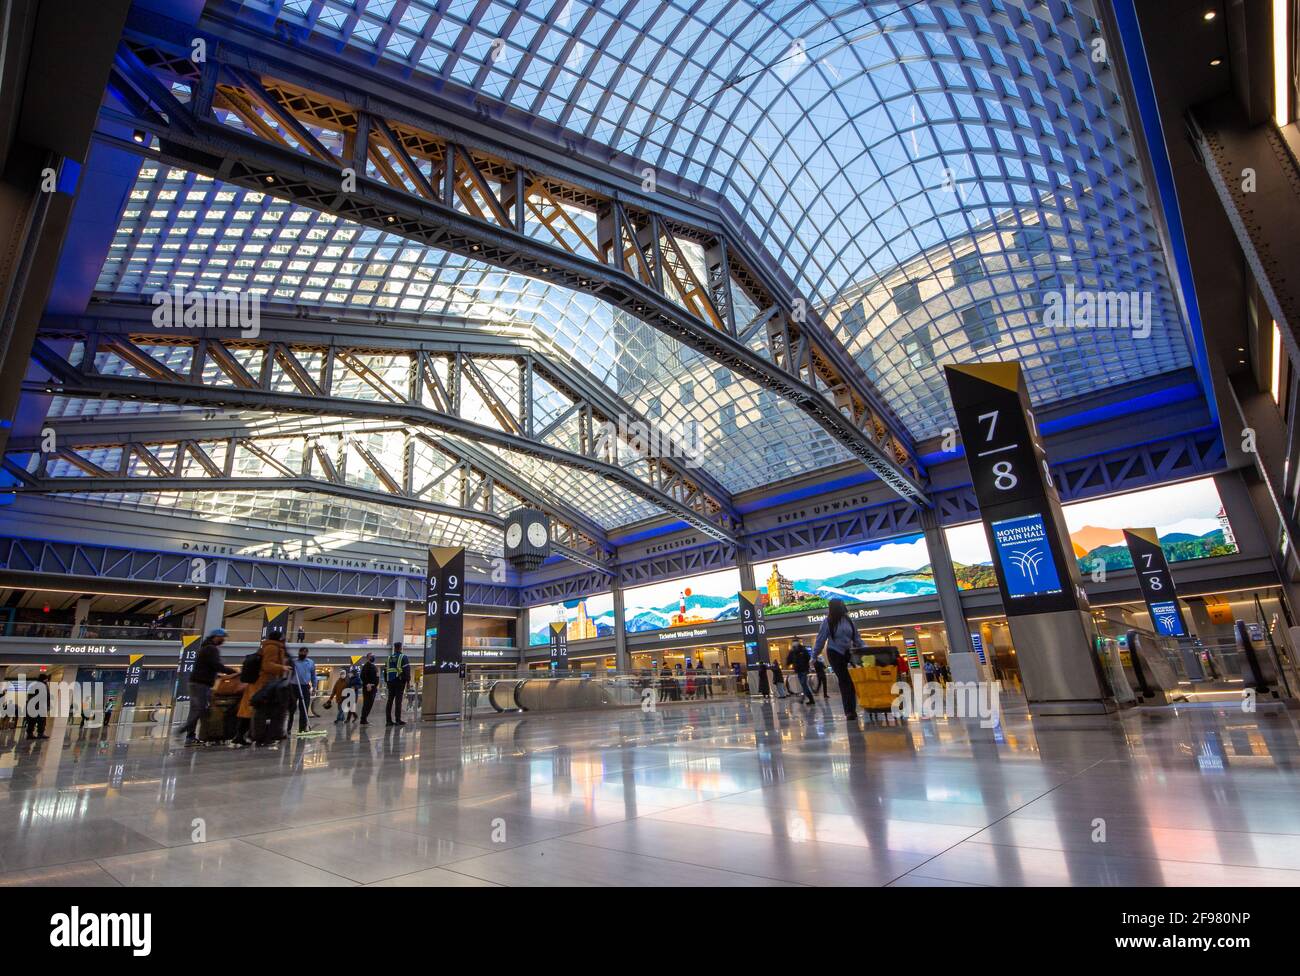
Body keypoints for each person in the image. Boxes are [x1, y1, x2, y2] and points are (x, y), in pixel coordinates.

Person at [178, 628, 235, 745]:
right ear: (216, 637)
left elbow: (209, 666)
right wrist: (232, 671)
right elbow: (216, 665)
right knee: (199, 709)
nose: (223, 640)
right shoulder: (211, 649)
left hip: (197, 682)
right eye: (222, 637)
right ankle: (184, 732)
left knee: (197, 709)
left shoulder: (206, 648)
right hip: (201, 684)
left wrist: (218, 675)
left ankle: (192, 736)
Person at [813, 598, 866, 720]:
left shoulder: (848, 621)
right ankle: (849, 711)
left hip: (848, 653)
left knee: (850, 681)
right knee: (845, 680)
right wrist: (814, 655)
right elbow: (820, 640)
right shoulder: (828, 622)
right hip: (834, 653)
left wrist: (865, 648)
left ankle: (851, 709)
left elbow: (857, 638)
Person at [235, 629, 288, 747]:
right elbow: (267, 665)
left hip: (260, 683)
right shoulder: (272, 648)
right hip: (263, 684)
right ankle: (256, 737)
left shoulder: (268, 647)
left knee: (250, 711)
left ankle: (243, 736)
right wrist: (282, 668)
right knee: (257, 711)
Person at [288, 646, 317, 733]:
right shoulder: (293, 662)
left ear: (307, 653)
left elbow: (313, 675)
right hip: (294, 686)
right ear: (299, 652)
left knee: (304, 708)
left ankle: (302, 728)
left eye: (305, 652)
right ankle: (288, 729)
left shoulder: (310, 662)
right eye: (301, 652)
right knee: (291, 708)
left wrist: (314, 687)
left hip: (305, 687)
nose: (303, 654)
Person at [384, 642, 410, 726]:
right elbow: (406, 670)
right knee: (398, 701)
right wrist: (408, 681)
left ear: (394, 648)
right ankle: (398, 720)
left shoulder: (389, 658)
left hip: (390, 682)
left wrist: (386, 681)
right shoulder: (403, 657)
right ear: (400, 648)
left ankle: (388, 721)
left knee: (390, 701)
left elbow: (385, 671)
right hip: (399, 681)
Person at [787, 639, 815, 705]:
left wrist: (808, 667)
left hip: (804, 670)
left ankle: (809, 699)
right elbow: (789, 660)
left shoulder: (803, 650)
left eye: (795, 642)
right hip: (799, 671)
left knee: (804, 684)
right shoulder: (793, 651)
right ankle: (806, 699)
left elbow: (808, 658)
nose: (794, 644)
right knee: (803, 685)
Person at [24, 673, 51, 739]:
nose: (47, 680)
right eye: (46, 679)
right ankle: (40, 734)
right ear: (45, 679)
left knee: (32, 721)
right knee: (41, 721)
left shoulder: (34, 685)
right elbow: (46, 697)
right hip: (39, 706)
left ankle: (30, 734)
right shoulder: (43, 685)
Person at [359, 653, 379, 725]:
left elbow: (376, 677)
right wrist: (367, 684)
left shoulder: (374, 666)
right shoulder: (366, 666)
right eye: (371, 656)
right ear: (368, 658)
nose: (373, 657)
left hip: (373, 688)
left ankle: (365, 718)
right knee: (367, 703)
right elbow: (362, 676)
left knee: (370, 704)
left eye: (373, 656)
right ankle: (363, 719)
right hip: (368, 688)